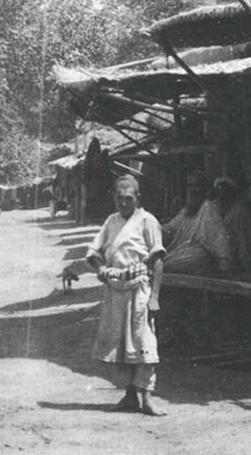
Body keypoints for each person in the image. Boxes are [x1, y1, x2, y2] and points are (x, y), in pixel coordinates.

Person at [85, 175, 166, 416]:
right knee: (119, 345)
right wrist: (101, 269)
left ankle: (147, 398)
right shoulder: (111, 221)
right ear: (114, 198)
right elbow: (93, 251)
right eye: (119, 198)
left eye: (128, 198)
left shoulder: (147, 220)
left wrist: (155, 297)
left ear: (137, 198)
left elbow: (158, 259)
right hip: (114, 289)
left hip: (139, 288)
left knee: (144, 342)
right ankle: (129, 396)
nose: (123, 203)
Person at [163, 171, 232, 275]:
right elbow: (170, 227)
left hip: (198, 256)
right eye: (190, 186)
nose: (193, 190)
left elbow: (218, 240)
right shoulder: (187, 211)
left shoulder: (208, 208)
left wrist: (223, 264)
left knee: (166, 264)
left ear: (204, 188)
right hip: (184, 252)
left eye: (196, 185)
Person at [213, 177, 251, 273]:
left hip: (234, 259)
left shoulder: (240, 212)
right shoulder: (212, 209)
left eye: (225, 189)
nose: (222, 193)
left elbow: (245, 237)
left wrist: (245, 261)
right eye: (219, 189)